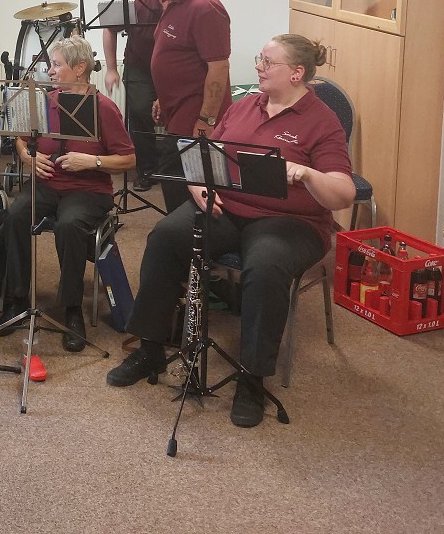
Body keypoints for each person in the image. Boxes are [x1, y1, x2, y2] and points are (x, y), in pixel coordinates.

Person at [106, 34, 354, 429]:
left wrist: (308, 174)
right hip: (227, 208)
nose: (258, 66)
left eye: (267, 62)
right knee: (166, 236)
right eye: (260, 58)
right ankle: (150, 347)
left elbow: (343, 193)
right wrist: (198, 187)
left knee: (266, 266)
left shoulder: (321, 121)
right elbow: (203, 156)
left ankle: (252, 378)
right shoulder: (244, 106)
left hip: (291, 222)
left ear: (296, 73)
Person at [0, 36, 134, 351]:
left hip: (89, 189)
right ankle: (17, 299)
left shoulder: (103, 108)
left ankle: (72, 309)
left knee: (69, 225)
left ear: (80, 68)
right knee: (15, 215)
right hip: (48, 183)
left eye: (56, 65)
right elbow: (21, 137)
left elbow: (129, 159)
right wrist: (27, 156)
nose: (50, 70)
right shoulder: (47, 100)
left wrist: (92, 161)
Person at [146, 0, 231, 212]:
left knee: (186, 190)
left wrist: (206, 120)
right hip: (177, 112)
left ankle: (187, 235)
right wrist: (163, 97)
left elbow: (218, 68)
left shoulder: (205, 7)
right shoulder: (175, 0)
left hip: (195, 118)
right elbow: (177, 57)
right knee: (175, 184)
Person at [102, 0, 163, 191]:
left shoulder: (187, 2)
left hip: (172, 67)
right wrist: (111, 69)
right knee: (139, 111)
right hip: (139, 66)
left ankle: (176, 169)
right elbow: (109, 29)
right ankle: (147, 170)